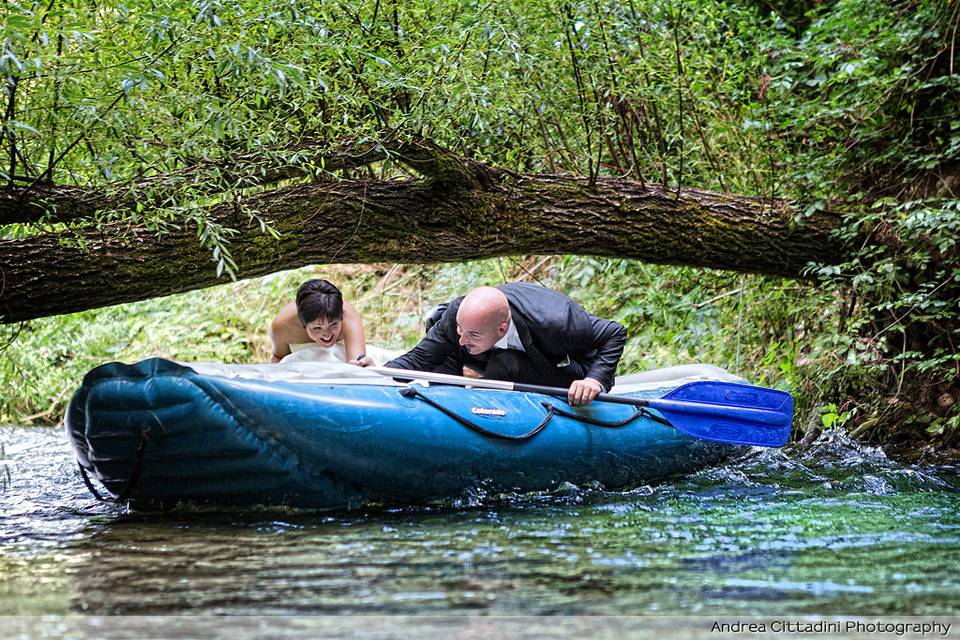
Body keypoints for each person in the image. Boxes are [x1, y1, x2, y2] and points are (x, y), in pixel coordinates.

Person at [386, 282, 627, 405]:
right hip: (495, 356)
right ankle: (451, 403)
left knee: (505, 362)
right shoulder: (458, 316)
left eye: (472, 334)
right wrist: (375, 373)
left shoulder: (557, 322)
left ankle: (486, 406)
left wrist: (593, 380)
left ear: (502, 329)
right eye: (461, 329)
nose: (463, 338)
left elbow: (614, 333)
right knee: (448, 348)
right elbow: (418, 359)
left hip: (565, 368)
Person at [269, 279, 373, 366]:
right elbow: (278, 359)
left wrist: (362, 364)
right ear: (303, 323)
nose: (327, 335)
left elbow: (357, 363)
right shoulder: (282, 326)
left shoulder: (348, 316)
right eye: (317, 328)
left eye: (333, 325)